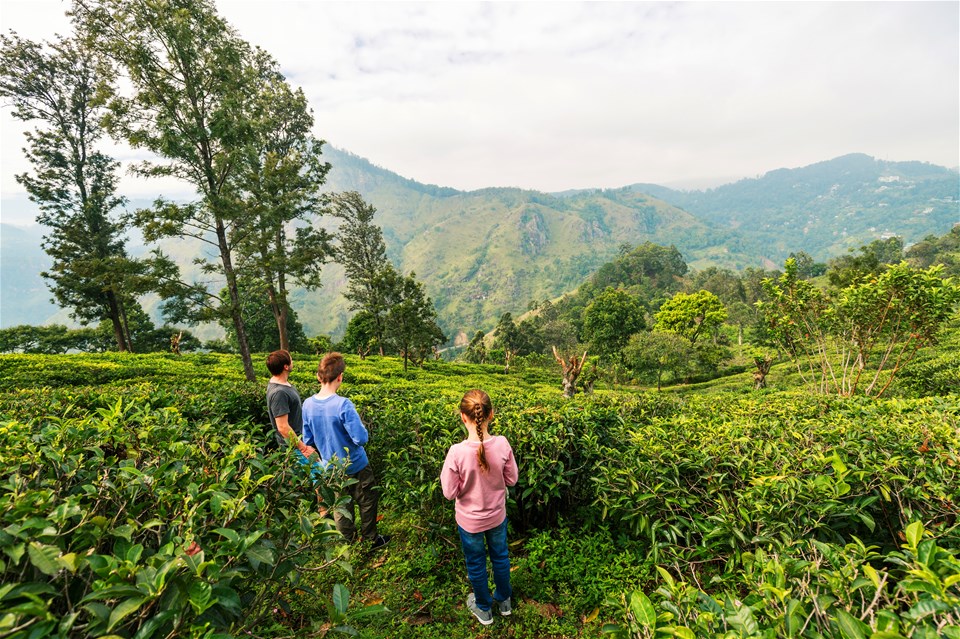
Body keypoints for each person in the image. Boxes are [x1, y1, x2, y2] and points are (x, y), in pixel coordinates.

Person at [440, 389, 519, 626]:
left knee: (476, 563)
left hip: (469, 522)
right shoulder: (502, 444)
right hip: (497, 517)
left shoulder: (456, 452)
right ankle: (505, 601)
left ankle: (484, 608)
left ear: (463, 417)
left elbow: (449, 492)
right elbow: (512, 479)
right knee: (501, 557)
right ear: (491, 414)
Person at [302, 352, 388, 549]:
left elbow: (307, 440)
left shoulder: (307, 404)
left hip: (330, 468)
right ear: (340, 376)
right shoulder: (343, 404)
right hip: (356, 464)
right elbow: (361, 438)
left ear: (318, 376)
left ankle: (347, 544)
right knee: (367, 501)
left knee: (341, 507)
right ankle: (370, 539)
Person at [265, 349, 316, 464]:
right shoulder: (279, 393)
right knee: (317, 477)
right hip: (294, 447)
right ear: (286, 367)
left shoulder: (282, 384)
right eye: (291, 360)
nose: (293, 362)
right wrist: (304, 448)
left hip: (298, 442)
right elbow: (283, 427)